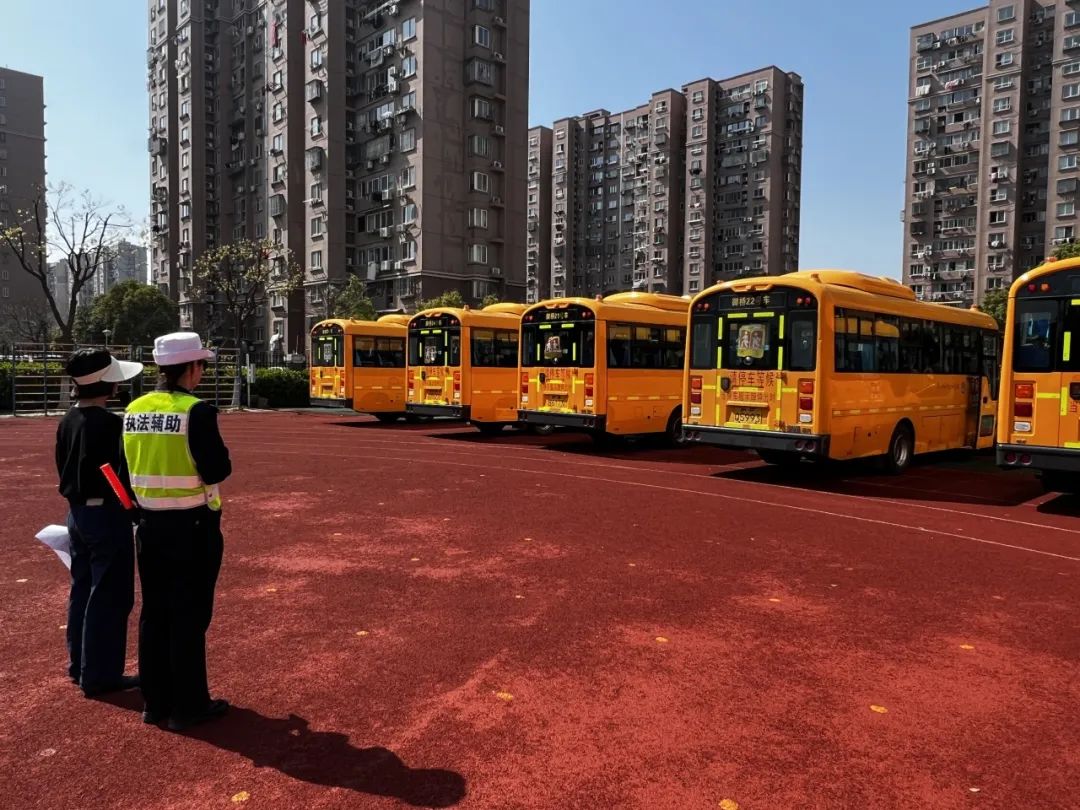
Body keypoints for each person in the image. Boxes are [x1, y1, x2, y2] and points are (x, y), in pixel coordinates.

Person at [121, 332, 232, 731]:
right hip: (193, 525)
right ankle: (189, 705)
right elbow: (216, 469)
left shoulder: (133, 409)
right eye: (201, 364)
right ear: (192, 367)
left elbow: (122, 470)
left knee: (155, 613)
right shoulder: (197, 411)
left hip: (149, 525)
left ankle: (155, 701)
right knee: (189, 614)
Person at [55, 348, 144, 696]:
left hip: (77, 513)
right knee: (110, 595)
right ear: (105, 383)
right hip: (105, 514)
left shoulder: (68, 420)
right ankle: (101, 674)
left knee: (83, 589)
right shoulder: (110, 425)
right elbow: (120, 476)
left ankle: (80, 664)